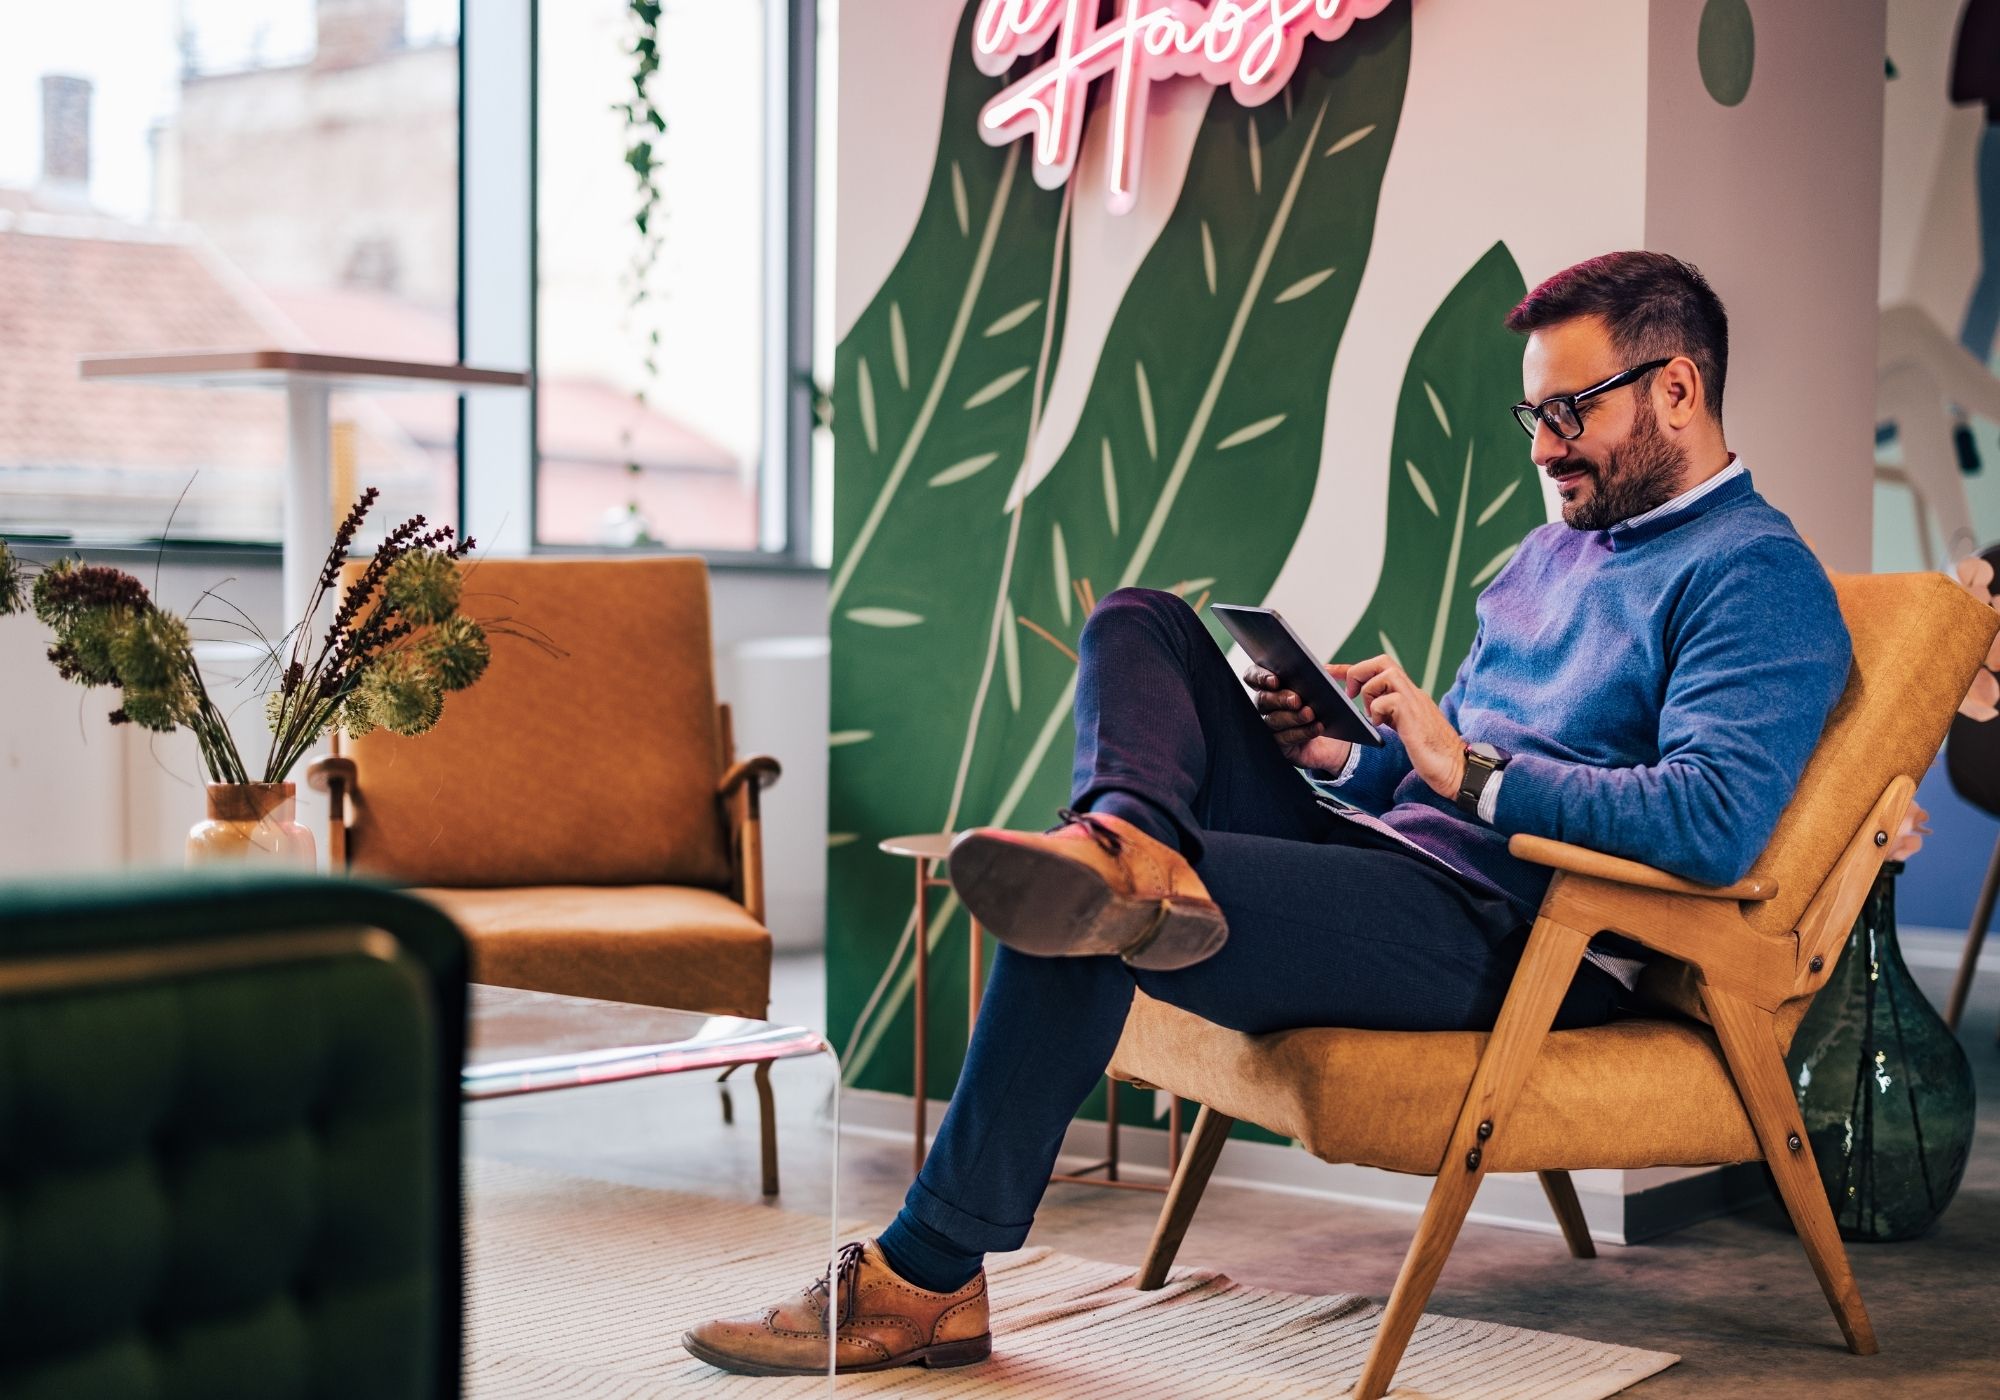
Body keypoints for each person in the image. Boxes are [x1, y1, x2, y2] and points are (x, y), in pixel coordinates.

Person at [682, 251, 1853, 1377]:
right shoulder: (1543, 557)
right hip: (1397, 859)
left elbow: (1710, 821)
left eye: (1568, 412)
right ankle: (1126, 837)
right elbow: (1432, 781)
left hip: (1511, 931)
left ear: (1676, 389)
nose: (1544, 446)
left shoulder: (1752, 574)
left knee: (1090, 906)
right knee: (1139, 622)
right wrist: (1345, 751)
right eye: (1531, 417)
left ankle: (926, 1272)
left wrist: (1469, 769)